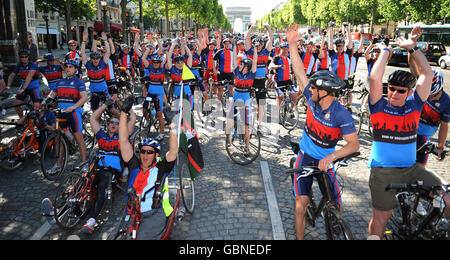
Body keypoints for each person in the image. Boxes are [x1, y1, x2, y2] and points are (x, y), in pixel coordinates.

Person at [367, 25, 450, 239]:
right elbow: (375, 78)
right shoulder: (378, 105)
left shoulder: (414, 105)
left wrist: (413, 48)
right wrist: (386, 51)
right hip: (383, 172)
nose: (394, 93)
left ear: (409, 92)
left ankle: (429, 226)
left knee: (447, 198)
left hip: (411, 169)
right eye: (391, 88)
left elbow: (427, 73)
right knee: (381, 219)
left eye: (400, 90)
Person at [286, 23, 360, 240]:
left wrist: (331, 157)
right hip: (306, 157)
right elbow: (300, 71)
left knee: (336, 203)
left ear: (326, 93)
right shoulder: (312, 97)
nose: (310, 90)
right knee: (301, 205)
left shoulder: (341, 114)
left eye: (315, 89)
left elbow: (353, 145)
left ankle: (336, 227)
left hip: (327, 160)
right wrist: (292, 43)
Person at [118, 100, 178, 240]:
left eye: (149, 152)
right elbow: (123, 142)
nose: (145, 155)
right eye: (143, 151)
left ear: (156, 155)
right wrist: (123, 113)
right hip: (131, 212)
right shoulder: (134, 166)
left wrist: (172, 125)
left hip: (152, 213)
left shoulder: (160, 167)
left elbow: (173, 151)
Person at [81, 99, 136, 234]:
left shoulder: (121, 138)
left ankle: (91, 222)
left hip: (111, 172)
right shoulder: (102, 136)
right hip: (97, 169)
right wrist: (106, 104)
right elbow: (93, 118)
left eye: (117, 123)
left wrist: (127, 107)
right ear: (108, 124)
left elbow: (132, 120)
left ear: (119, 127)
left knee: (101, 189)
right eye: (111, 122)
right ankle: (66, 209)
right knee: (82, 182)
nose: (113, 124)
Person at [45, 59, 89, 173]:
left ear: (75, 69)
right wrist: (47, 101)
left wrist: (74, 107)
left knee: (78, 137)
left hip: (74, 113)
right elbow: (52, 95)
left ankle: (84, 163)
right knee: (57, 137)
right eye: (66, 66)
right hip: (61, 113)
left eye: (71, 66)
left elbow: (84, 97)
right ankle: (58, 164)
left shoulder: (79, 82)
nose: (68, 68)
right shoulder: (60, 82)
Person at [225, 43, 258, 156]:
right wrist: (234, 47)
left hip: (245, 102)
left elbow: (255, 63)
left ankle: (247, 148)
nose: (239, 65)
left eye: (241, 64)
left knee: (246, 128)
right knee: (228, 122)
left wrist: (254, 50)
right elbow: (234, 59)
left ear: (246, 67)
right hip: (235, 100)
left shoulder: (251, 75)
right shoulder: (237, 72)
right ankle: (231, 134)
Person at [414, 70, 450, 166]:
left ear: (440, 89)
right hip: (411, 126)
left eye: (433, 95)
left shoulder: (447, 102)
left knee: (420, 164)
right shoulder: (421, 89)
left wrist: (440, 147)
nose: (430, 98)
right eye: (428, 95)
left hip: (424, 132)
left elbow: (444, 126)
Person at [7, 49, 41, 117]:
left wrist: (23, 89)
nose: (24, 58)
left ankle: (39, 121)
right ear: (20, 58)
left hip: (33, 87)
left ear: (28, 57)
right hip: (24, 87)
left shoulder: (33, 65)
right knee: (16, 105)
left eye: (26, 56)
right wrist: (8, 85)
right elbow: (11, 75)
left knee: (37, 106)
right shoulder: (19, 65)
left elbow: (29, 77)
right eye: (22, 57)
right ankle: (22, 120)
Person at [142, 50, 167, 141]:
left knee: (159, 114)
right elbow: (143, 58)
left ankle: (162, 133)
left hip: (158, 94)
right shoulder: (150, 68)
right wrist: (148, 50)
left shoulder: (163, 69)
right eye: (154, 62)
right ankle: (149, 121)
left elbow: (168, 61)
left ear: (160, 63)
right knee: (144, 109)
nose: (155, 64)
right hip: (150, 93)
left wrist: (167, 51)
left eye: (157, 62)